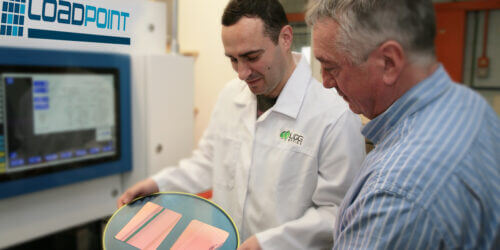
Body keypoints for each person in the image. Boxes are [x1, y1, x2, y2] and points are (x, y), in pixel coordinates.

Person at [118, 0, 366, 249]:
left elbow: (336, 212)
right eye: (233, 60)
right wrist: (158, 185)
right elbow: (208, 162)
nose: (242, 73)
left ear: (285, 38)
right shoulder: (230, 96)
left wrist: (266, 243)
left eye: (251, 57)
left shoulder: (335, 117)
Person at [306, 0, 500, 249]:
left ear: (388, 62)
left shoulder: (395, 195)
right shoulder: (468, 105)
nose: (325, 82)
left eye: (330, 67)